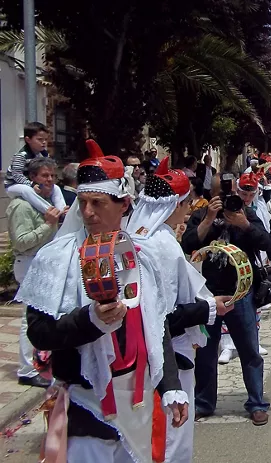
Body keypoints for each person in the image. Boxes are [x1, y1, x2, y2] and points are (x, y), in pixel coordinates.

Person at [17, 139, 188, 461]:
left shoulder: (142, 255)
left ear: (123, 205)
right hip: (87, 410)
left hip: (137, 405)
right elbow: (39, 332)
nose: (87, 213)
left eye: (98, 203)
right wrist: (90, 320)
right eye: (82, 202)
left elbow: (157, 322)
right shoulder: (57, 258)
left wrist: (170, 386)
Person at [126, 157, 233, 462]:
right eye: (186, 204)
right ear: (175, 205)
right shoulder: (161, 245)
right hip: (170, 352)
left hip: (144, 352)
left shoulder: (137, 236)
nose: (188, 210)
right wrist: (210, 308)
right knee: (172, 435)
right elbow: (164, 316)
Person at [182, 172, 271, 426]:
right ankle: (204, 403)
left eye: (229, 193)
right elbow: (187, 244)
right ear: (211, 195)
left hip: (241, 292)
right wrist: (210, 218)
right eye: (219, 194)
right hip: (208, 293)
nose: (225, 198)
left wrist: (244, 223)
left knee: (249, 349)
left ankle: (256, 403)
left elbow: (267, 243)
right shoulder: (202, 214)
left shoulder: (244, 211)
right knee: (206, 352)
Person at [7, 157, 61, 388]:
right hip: (29, 264)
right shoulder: (22, 205)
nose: (49, 180)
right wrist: (47, 225)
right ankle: (27, 369)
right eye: (44, 176)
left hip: (43, 264)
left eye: (52, 176)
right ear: (32, 178)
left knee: (46, 315)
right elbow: (20, 242)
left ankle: (41, 361)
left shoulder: (46, 202)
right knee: (29, 319)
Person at [4, 122, 67, 215]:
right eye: (40, 139)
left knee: (56, 188)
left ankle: (63, 212)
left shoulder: (44, 154)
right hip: (13, 185)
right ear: (28, 140)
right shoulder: (21, 156)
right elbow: (17, 175)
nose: (44, 142)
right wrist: (32, 184)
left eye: (45, 139)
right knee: (26, 190)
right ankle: (49, 211)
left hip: (33, 183)